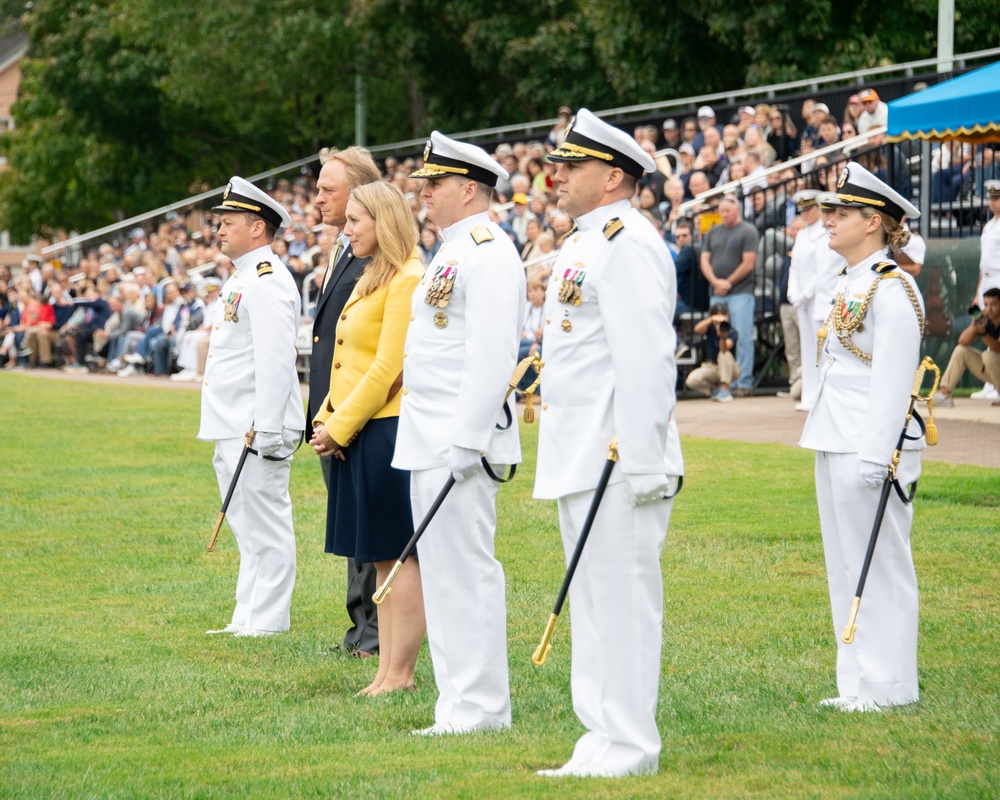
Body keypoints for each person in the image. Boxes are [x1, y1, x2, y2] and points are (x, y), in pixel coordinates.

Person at [534, 108, 683, 778]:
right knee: (592, 602)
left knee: (621, 603)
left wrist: (644, 461)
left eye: (573, 166)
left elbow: (648, 357)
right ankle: (598, 737)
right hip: (581, 451)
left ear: (615, 177)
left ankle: (630, 745)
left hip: (620, 456)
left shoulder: (630, 242)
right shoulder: (586, 241)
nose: (555, 175)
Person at [393, 131, 524, 736]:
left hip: (456, 440)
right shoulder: (452, 250)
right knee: (443, 574)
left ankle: (481, 707)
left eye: (435, 183)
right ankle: (458, 704)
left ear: (468, 188)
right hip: (430, 433)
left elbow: (493, 354)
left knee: (466, 572)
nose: (424, 194)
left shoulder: (486, 248)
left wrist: (468, 440)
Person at [799, 162, 925, 712]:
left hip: (868, 444)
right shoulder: (853, 281)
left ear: (873, 222)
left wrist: (879, 454)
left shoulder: (892, 287)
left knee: (879, 563)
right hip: (835, 433)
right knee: (845, 566)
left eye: (842, 213)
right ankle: (855, 681)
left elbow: (895, 379)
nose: (830, 220)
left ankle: (889, 685)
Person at [309, 182, 425, 695]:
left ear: (384, 221)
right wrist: (327, 414)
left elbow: (387, 367)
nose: (347, 228)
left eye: (357, 220)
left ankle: (400, 673)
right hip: (361, 426)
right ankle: (385, 671)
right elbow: (343, 356)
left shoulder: (406, 276)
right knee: (381, 558)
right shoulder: (373, 273)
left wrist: (339, 424)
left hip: (386, 426)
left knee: (398, 556)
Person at [198, 176, 306, 637]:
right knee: (246, 525)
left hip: (254, 424)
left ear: (257, 227)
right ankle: (246, 614)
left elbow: (276, 360)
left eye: (229, 222)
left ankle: (268, 619)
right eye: (219, 222)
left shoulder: (266, 280)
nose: (219, 230)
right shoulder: (243, 277)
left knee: (267, 522)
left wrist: (266, 427)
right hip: (231, 420)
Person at [310, 146, 384, 658]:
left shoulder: (374, 255)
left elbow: (372, 351)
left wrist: (345, 418)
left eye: (326, 189)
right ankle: (360, 629)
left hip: (357, 413)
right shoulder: (343, 247)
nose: (317, 198)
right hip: (332, 410)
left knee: (370, 530)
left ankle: (376, 634)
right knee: (352, 527)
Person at [699, 193, 758, 393]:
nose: (724, 214)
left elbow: (748, 263)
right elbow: (704, 260)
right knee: (718, 336)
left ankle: (743, 382)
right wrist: (716, 281)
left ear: (737, 210)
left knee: (742, 337)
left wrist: (727, 282)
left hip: (741, 291)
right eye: (722, 211)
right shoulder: (713, 232)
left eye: (728, 211)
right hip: (717, 292)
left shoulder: (748, 230)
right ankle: (725, 382)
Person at [932, 287, 1000, 407]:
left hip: (994, 362)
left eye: (993, 304)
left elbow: (997, 348)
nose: (988, 309)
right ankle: (944, 395)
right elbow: (962, 341)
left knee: (988, 355)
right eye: (986, 305)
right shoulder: (987, 321)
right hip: (995, 370)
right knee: (960, 351)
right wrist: (975, 325)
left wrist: (983, 333)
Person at [971, 180, 1000, 400]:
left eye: (997, 198)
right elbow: (984, 263)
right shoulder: (989, 225)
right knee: (985, 327)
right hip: (987, 280)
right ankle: (991, 384)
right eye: (991, 198)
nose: (993, 202)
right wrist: (978, 291)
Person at [685, 302, 740, 402]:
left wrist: (722, 336)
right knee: (691, 380)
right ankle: (715, 391)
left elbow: (724, 349)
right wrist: (711, 320)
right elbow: (697, 329)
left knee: (723, 354)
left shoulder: (732, 331)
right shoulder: (710, 329)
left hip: (730, 369)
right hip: (712, 367)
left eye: (722, 315)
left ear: (727, 315)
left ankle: (725, 389)